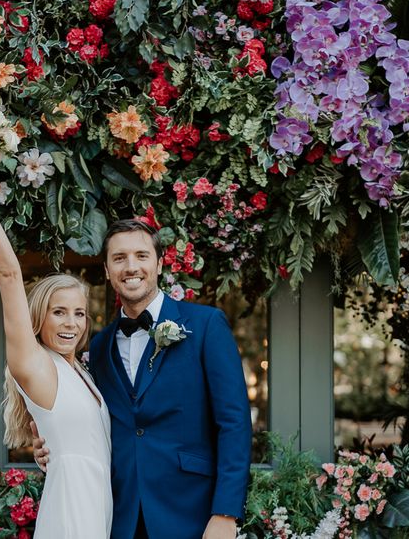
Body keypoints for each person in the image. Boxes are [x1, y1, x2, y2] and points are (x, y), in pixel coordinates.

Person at [34, 218, 252, 539]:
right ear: (107, 271)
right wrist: (53, 444)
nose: (130, 266)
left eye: (141, 255)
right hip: (119, 515)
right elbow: (94, 418)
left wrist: (226, 513)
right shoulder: (99, 344)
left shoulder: (205, 326)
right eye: (119, 258)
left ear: (159, 263)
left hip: (192, 514)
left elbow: (234, 423)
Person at [0, 147, 113, 538]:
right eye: (59, 312)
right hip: (71, 517)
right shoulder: (35, 362)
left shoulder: (79, 370)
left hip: (98, 510)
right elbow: (9, 275)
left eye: (79, 313)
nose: (71, 323)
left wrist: (47, 451)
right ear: (39, 316)